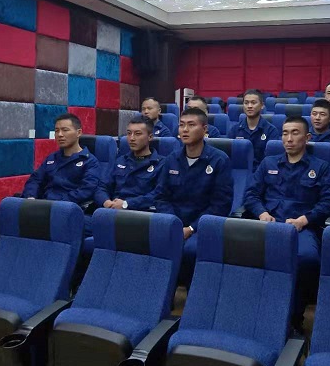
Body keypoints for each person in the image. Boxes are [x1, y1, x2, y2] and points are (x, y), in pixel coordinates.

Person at [244, 116, 330, 324]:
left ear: (307, 137)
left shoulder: (321, 167)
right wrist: (261, 213)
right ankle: (254, 312)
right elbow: (251, 194)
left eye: (295, 133)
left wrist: (305, 219)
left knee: (307, 258)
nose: (289, 138)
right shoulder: (268, 163)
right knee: (245, 254)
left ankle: (295, 315)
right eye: (285, 133)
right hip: (269, 224)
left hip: (302, 227)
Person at [154, 107, 234, 285]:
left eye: (191, 125)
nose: (185, 130)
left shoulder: (219, 160)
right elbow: (161, 197)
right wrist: (173, 224)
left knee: (191, 249)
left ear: (205, 129)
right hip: (173, 222)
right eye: (182, 125)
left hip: (202, 225)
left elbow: (220, 205)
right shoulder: (172, 159)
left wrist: (191, 228)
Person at [22, 113, 100, 205]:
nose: (60, 134)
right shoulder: (52, 158)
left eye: (65, 130)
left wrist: (57, 203)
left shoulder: (90, 161)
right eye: (56, 131)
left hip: (67, 207)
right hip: (44, 204)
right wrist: (30, 197)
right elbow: (35, 179)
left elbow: (86, 190)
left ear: (78, 133)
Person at [93, 117, 162, 211]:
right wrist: (107, 202)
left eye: (138, 134)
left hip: (142, 213)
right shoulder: (120, 160)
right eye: (129, 133)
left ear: (150, 137)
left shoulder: (161, 164)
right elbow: (102, 187)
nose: (132, 138)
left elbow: (158, 194)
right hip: (113, 210)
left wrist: (126, 204)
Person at [227, 89, 279, 169]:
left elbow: (271, 161)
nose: (249, 106)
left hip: (262, 171)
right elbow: (228, 156)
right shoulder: (234, 130)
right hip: (239, 171)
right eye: (246, 103)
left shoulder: (271, 130)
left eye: (253, 103)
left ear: (262, 105)